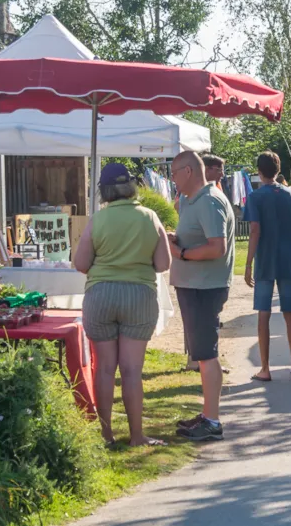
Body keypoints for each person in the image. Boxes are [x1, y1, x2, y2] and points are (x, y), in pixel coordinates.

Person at [74, 163, 172, 447]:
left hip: (101, 294)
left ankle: (106, 435)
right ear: (131, 186)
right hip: (139, 296)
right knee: (132, 370)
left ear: (103, 190)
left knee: (104, 368)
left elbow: (81, 264)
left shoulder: (98, 220)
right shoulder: (150, 217)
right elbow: (163, 264)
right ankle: (137, 435)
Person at [169, 151, 236, 442]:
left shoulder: (208, 201)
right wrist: (177, 240)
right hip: (196, 285)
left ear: (188, 172)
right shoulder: (194, 200)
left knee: (207, 355)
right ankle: (208, 414)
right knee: (203, 354)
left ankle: (212, 421)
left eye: (173, 173)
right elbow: (201, 238)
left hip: (204, 287)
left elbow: (216, 247)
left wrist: (181, 252)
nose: (171, 179)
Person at [245, 151, 291, 382]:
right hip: (287, 259)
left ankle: (265, 368)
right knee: (289, 313)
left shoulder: (255, 197)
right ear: (277, 168)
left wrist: (248, 264)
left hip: (265, 260)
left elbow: (255, 230)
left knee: (263, 313)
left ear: (259, 170)